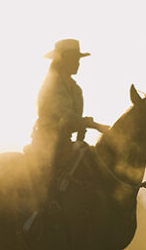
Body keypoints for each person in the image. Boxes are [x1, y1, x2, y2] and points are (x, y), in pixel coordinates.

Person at [28, 38, 108, 212]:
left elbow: (75, 120)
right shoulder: (52, 85)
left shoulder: (76, 89)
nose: (78, 63)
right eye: (75, 59)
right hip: (46, 142)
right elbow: (68, 117)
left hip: (64, 141)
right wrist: (94, 125)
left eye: (79, 59)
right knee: (50, 175)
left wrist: (82, 135)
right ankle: (45, 206)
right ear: (63, 60)